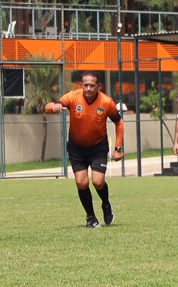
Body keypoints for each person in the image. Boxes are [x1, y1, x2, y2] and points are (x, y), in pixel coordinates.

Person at [45, 70, 124, 227]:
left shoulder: (106, 102)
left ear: (98, 86)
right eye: (85, 85)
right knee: (81, 182)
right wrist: (54, 107)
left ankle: (106, 204)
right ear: (81, 85)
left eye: (92, 85)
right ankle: (91, 218)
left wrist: (118, 147)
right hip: (76, 149)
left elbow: (119, 123)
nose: (88, 88)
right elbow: (49, 106)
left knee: (98, 181)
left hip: (98, 148)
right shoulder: (72, 97)